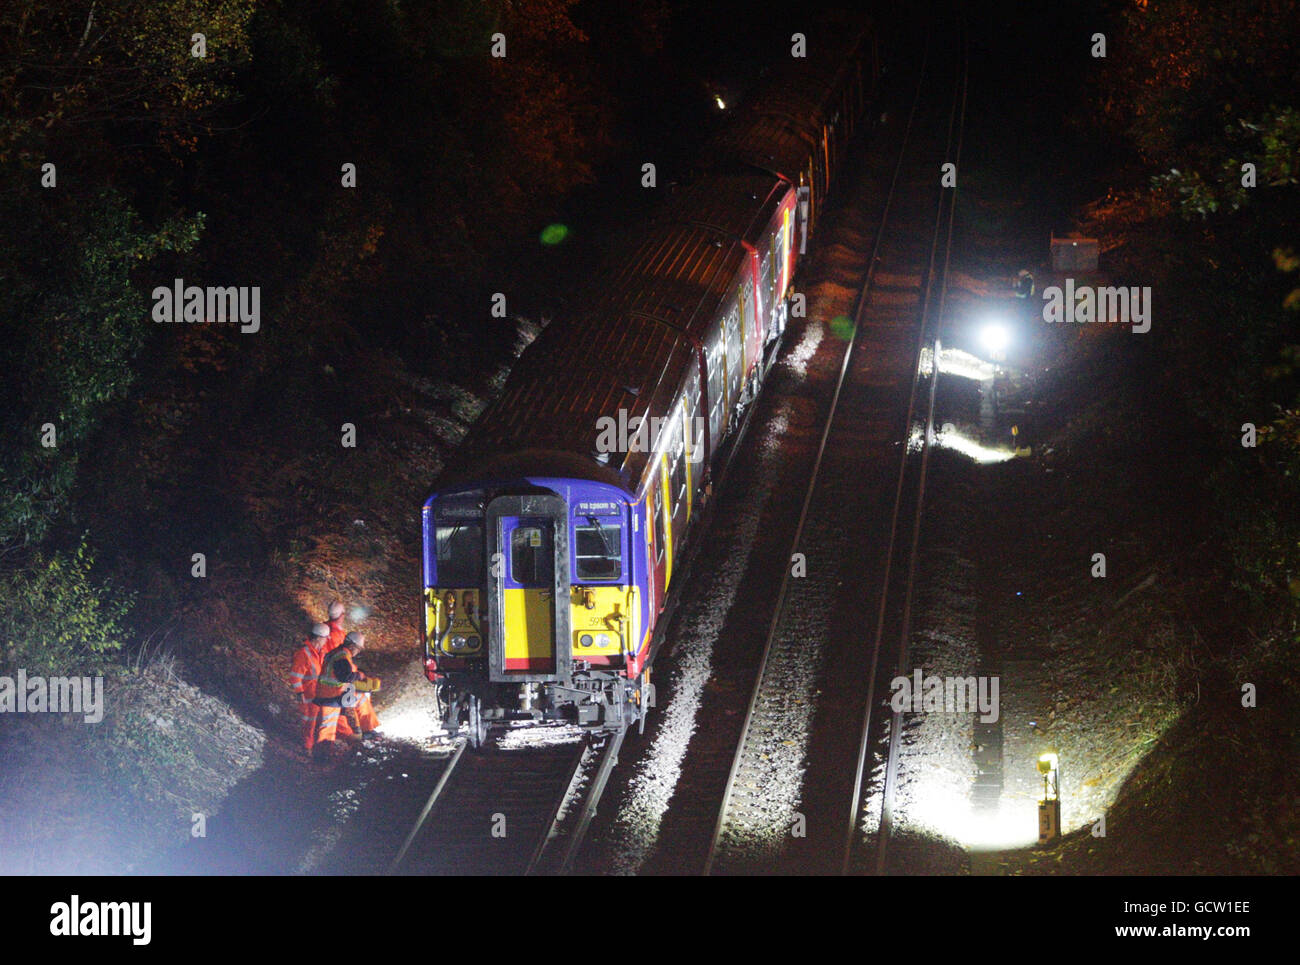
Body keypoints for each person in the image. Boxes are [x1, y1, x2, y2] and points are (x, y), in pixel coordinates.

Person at [313, 632, 382, 751]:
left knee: (360, 698)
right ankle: (323, 753)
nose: (358, 652)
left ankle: (367, 731)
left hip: (330, 694)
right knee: (327, 727)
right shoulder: (342, 656)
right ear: (352, 646)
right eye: (358, 649)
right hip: (331, 696)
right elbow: (345, 677)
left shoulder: (338, 653)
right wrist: (359, 676)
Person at [287, 623, 331, 754]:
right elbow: (295, 677)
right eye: (325, 639)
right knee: (309, 723)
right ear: (318, 638)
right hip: (308, 695)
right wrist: (300, 694)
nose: (326, 641)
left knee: (317, 721)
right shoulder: (303, 654)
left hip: (319, 694)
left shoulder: (321, 653)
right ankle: (307, 748)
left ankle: (315, 746)